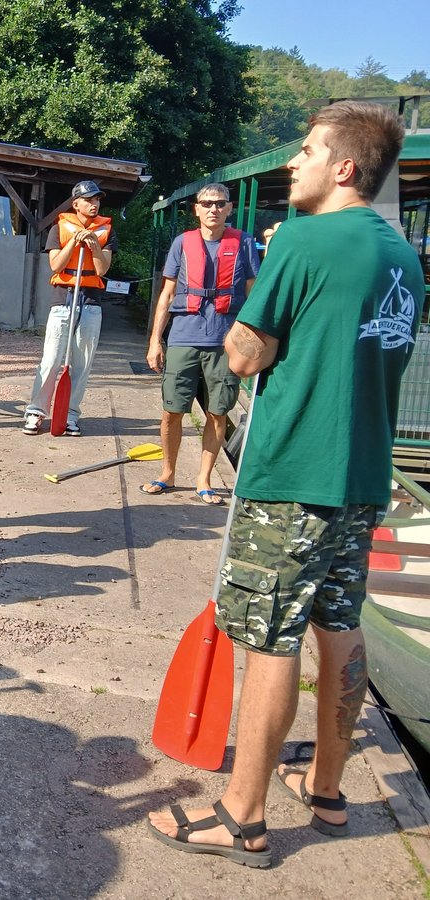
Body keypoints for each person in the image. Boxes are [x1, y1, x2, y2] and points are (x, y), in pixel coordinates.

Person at [147, 101, 424, 868]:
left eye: (305, 151)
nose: (291, 164)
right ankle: (328, 791)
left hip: (294, 475)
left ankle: (242, 817)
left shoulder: (303, 238)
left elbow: (242, 355)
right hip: (362, 476)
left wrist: (266, 283)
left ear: (343, 167)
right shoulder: (402, 255)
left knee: (269, 641)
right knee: (340, 624)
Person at [141, 183, 260, 504]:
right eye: (206, 204)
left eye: (220, 204)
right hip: (183, 339)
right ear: (196, 208)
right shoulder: (183, 243)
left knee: (218, 412)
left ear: (229, 208)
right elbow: (166, 296)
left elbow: (254, 296)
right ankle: (167, 472)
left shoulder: (244, 243)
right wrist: (155, 341)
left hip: (225, 342)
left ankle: (204, 479)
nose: (213, 209)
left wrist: (253, 343)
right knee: (171, 412)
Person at [23, 181, 116, 436]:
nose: (94, 204)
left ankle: (70, 414)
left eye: (97, 200)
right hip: (63, 300)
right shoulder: (58, 229)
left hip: (91, 302)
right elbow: (55, 265)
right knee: (52, 359)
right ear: (76, 204)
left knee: (82, 362)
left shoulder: (107, 231)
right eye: (89, 200)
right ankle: (35, 411)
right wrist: (74, 243)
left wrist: (94, 245)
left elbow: (102, 269)